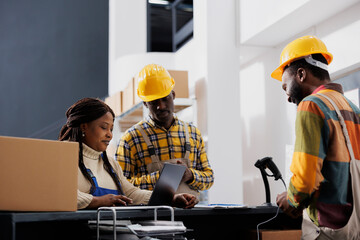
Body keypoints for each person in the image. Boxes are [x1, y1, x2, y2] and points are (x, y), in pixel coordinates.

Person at [272, 35, 360, 239]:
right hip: (354, 227)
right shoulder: (353, 109)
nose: (287, 96)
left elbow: (305, 177)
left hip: (327, 228)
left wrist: (291, 199)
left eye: (285, 86)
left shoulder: (311, 105)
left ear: (301, 74)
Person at [59, 97, 198, 209]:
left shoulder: (110, 164)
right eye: (104, 127)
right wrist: (97, 201)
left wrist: (170, 199)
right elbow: (57, 194)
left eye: (111, 129)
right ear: (84, 126)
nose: (109, 135)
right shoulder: (62, 155)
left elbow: (131, 193)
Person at [116, 64, 214, 198]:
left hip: (190, 216)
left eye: (165, 98)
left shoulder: (193, 133)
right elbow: (121, 186)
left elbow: (209, 178)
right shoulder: (130, 139)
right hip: (152, 216)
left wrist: (191, 175)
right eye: (153, 102)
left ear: (173, 95)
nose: (161, 106)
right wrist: (158, 178)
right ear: (145, 103)